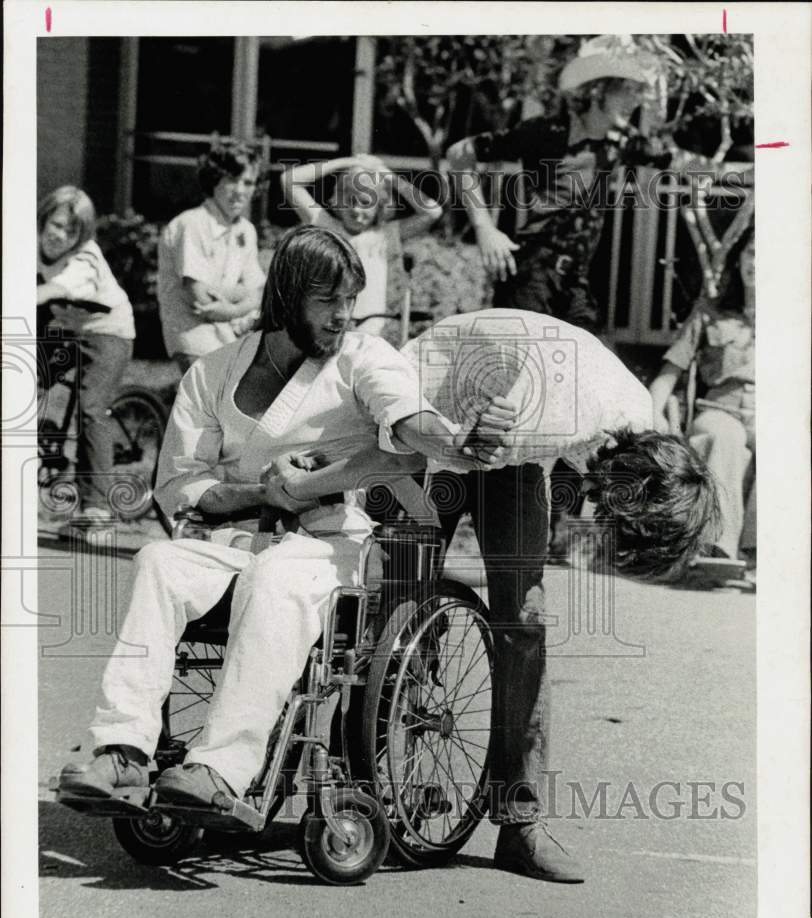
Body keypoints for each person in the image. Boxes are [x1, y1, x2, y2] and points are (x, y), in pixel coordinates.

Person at [58, 226, 506, 822]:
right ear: (287, 298)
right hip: (237, 541)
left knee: (274, 577)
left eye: (351, 299)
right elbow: (178, 484)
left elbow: (408, 421)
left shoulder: (363, 358)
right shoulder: (213, 373)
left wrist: (454, 438)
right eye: (328, 300)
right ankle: (123, 752)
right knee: (158, 561)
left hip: (329, 547)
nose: (344, 315)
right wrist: (258, 491)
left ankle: (219, 769)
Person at [402, 308, 721, 881]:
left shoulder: (635, 426)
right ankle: (371, 781)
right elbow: (491, 442)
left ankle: (519, 824)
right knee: (403, 596)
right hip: (432, 391)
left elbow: (516, 445)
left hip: (511, 415)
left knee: (523, 620)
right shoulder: (563, 418)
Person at [446, 34, 670, 555]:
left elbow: (676, 159)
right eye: (627, 91)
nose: (635, 101)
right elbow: (460, 155)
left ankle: (555, 531)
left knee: (582, 395)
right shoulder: (545, 133)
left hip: (575, 286)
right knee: (513, 394)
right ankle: (458, 511)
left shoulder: (617, 145)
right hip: (533, 274)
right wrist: (484, 228)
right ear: (598, 90)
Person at [649, 228, 755, 565]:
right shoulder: (709, 311)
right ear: (739, 259)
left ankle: (761, 553)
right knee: (724, 436)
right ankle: (716, 551)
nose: (758, 262)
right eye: (752, 252)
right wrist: (652, 418)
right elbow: (668, 375)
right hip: (720, 409)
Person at [37, 185, 136, 526]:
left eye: (71, 231)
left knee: (91, 406)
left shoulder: (86, 257)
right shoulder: (30, 242)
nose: (60, 236)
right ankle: (42, 438)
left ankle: (96, 507)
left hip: (110, 332)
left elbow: (58, 288)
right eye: (56, 224)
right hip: (68, 325)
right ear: (44, 218)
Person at [281, 153, 442, 338]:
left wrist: (387, 175)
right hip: (327, 331)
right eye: (350, 200)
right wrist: (348, 162)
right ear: (339, 199)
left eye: (366, 203)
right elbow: (289, 179)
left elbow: (432, 211)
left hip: (369, 333)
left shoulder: (385, 236)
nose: (357, 210)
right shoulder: (326, 226)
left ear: (379, 207)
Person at [157, 139, 267, 373]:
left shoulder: (246, 230)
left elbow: (258, 292)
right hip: (192, 334)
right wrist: (241, 297)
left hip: (231, 334)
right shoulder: (192, 224)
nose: (240, 191)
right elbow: (200, 297)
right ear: (213, 180)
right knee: (209, 402)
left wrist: (234, 308)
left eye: (248, 182)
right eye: (231, 180)